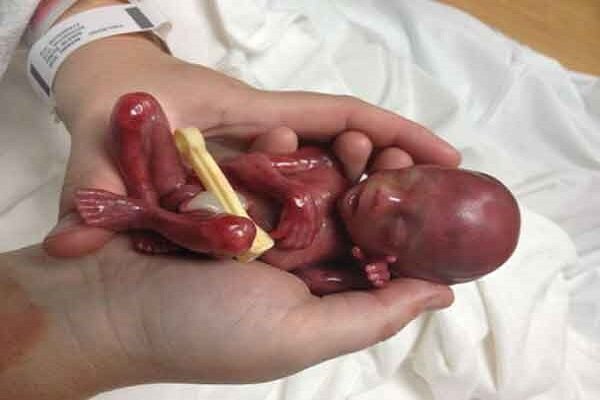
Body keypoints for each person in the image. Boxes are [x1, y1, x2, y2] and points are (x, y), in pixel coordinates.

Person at [0, 1, 460, 398]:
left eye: (400, 222)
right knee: (136, 107)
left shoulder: (345, 262)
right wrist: (291, 192)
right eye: (405, 182)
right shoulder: (327, 170)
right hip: (178, 186)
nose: (384, 197)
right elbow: (247, 166)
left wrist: (361, 275)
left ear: (396, 259)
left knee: (237, 233)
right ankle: (143, 212)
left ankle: (142, 217)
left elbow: (312, 280)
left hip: (209, 237)